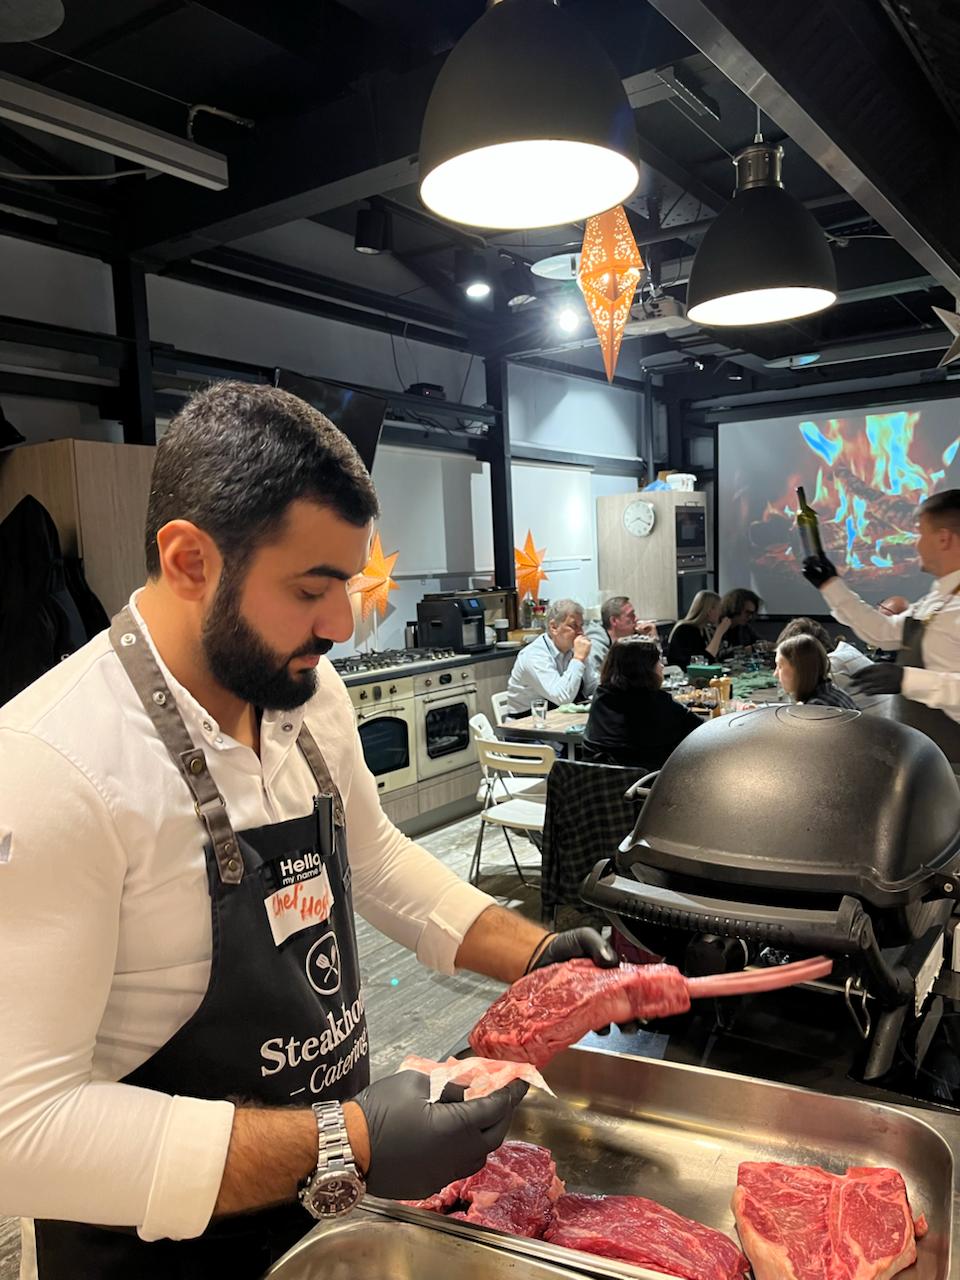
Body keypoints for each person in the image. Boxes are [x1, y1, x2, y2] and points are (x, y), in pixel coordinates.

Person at [0, 383, 632, 1280]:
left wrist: (533, 957)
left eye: (349, 583)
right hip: (153, 1253)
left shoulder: (306, 692)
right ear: (188, 560)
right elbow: (20, 1131)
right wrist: (347, 1137)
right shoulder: (52, 768)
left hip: (322, 1208)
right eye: (311, 589)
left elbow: (373, 858)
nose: (340, 625)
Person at [803, 489, 960, 764]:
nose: (915, 544)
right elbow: (884, 632)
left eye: (919, 533)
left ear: (943, 538)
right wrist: (830, 584)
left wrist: (906, 680)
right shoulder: (939, 599)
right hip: (926, 763)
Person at [583, 636, 704, 769]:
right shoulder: (659, 702)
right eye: (657, 661)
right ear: (645, 668)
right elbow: (703, 730)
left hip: (597, 778)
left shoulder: (601, 696)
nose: (662, 666)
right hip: (648, 780)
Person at [505, 598, 599, 717]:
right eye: (573, 626)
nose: (580, 632)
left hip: (562, 717)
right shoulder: (534, 655)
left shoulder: (573, 649)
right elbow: (562, 698)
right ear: (554, 627)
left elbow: (592, 687)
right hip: (528, 722)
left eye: (581, 626)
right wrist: (578, 659)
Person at [775, 616, 883, 710]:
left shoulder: (835, 668)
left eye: (780, 666)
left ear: (801, 665)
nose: (775, 674)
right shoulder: (831, 689)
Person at [774, 634, 858, 709]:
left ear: (800, 669)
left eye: (780, 666)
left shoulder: (815, 709)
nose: (775, 674)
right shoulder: (835, 693)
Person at [584, 596, 658, 672]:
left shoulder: (631, 640)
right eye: (631, 615)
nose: (636, 619)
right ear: (614, 621)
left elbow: (653, 672)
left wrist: (651, 641)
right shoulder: (595, 648)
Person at [666, 590, 731, 670]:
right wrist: (719, 632)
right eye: (719, 609)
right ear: (709, 610)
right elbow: (706, 660)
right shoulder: (685, 630)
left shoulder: (703, 629)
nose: (720, 613)